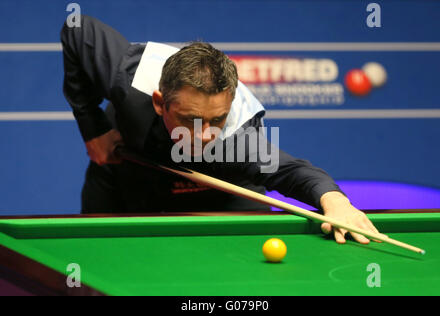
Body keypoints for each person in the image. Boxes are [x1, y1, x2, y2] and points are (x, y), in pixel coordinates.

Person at [61, 15, 381, 244]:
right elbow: (77, 28)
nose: (203, 136)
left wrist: (336, 201)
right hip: (128, 167)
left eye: (216, 120)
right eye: (190, 119)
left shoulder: (236, 140)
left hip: (222, 190)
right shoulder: (129, 80)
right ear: (160, 103)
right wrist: (93, 127)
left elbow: (291, 172)